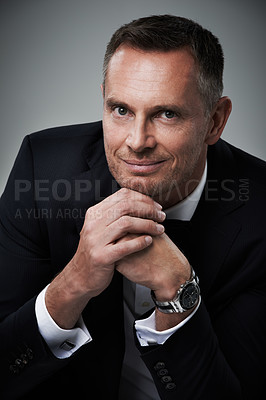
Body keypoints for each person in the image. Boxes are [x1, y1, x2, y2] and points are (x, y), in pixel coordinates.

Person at [0, 14, 265, 400]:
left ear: (215, 120)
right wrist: (74, 282)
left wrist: (178, 291)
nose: (137, 141)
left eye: (167, 114)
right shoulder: (42, 171)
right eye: (121, 110)